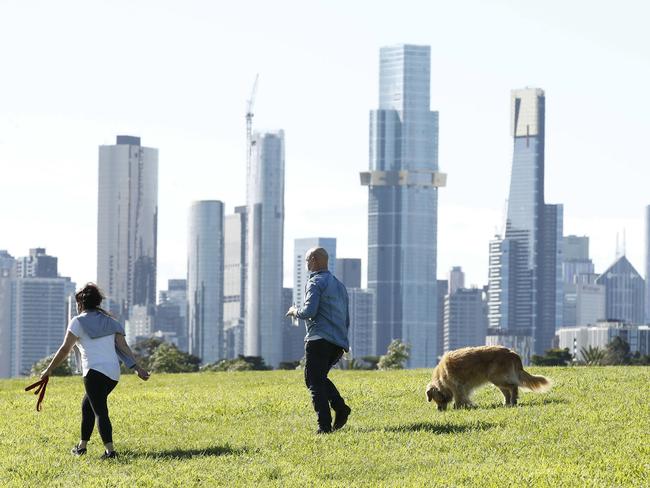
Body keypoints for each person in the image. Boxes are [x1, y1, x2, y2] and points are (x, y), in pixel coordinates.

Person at [40, 283, 149, 459]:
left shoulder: (78, 321)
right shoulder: (110, 321)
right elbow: (124, 348)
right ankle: (81, 447)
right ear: (97, 302)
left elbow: (64, 349)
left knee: (100, 411)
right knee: (87, 406)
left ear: (80, 303)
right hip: (113, 374)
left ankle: (110, 452)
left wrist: (48, 369)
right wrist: (137, 368)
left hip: (94, 372)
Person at [286, 247, 352, 434]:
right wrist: (344, 341)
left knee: (314, 381)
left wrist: (294, 312)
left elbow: (309, 312)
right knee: (317, 378)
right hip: (337, 342)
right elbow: (346, 317)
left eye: (307, 261)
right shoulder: (339, 285)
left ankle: (324, 426)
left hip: (319, 339)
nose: (307, 264)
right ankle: (340, 408)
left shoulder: (315, 282)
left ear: (314, 260)